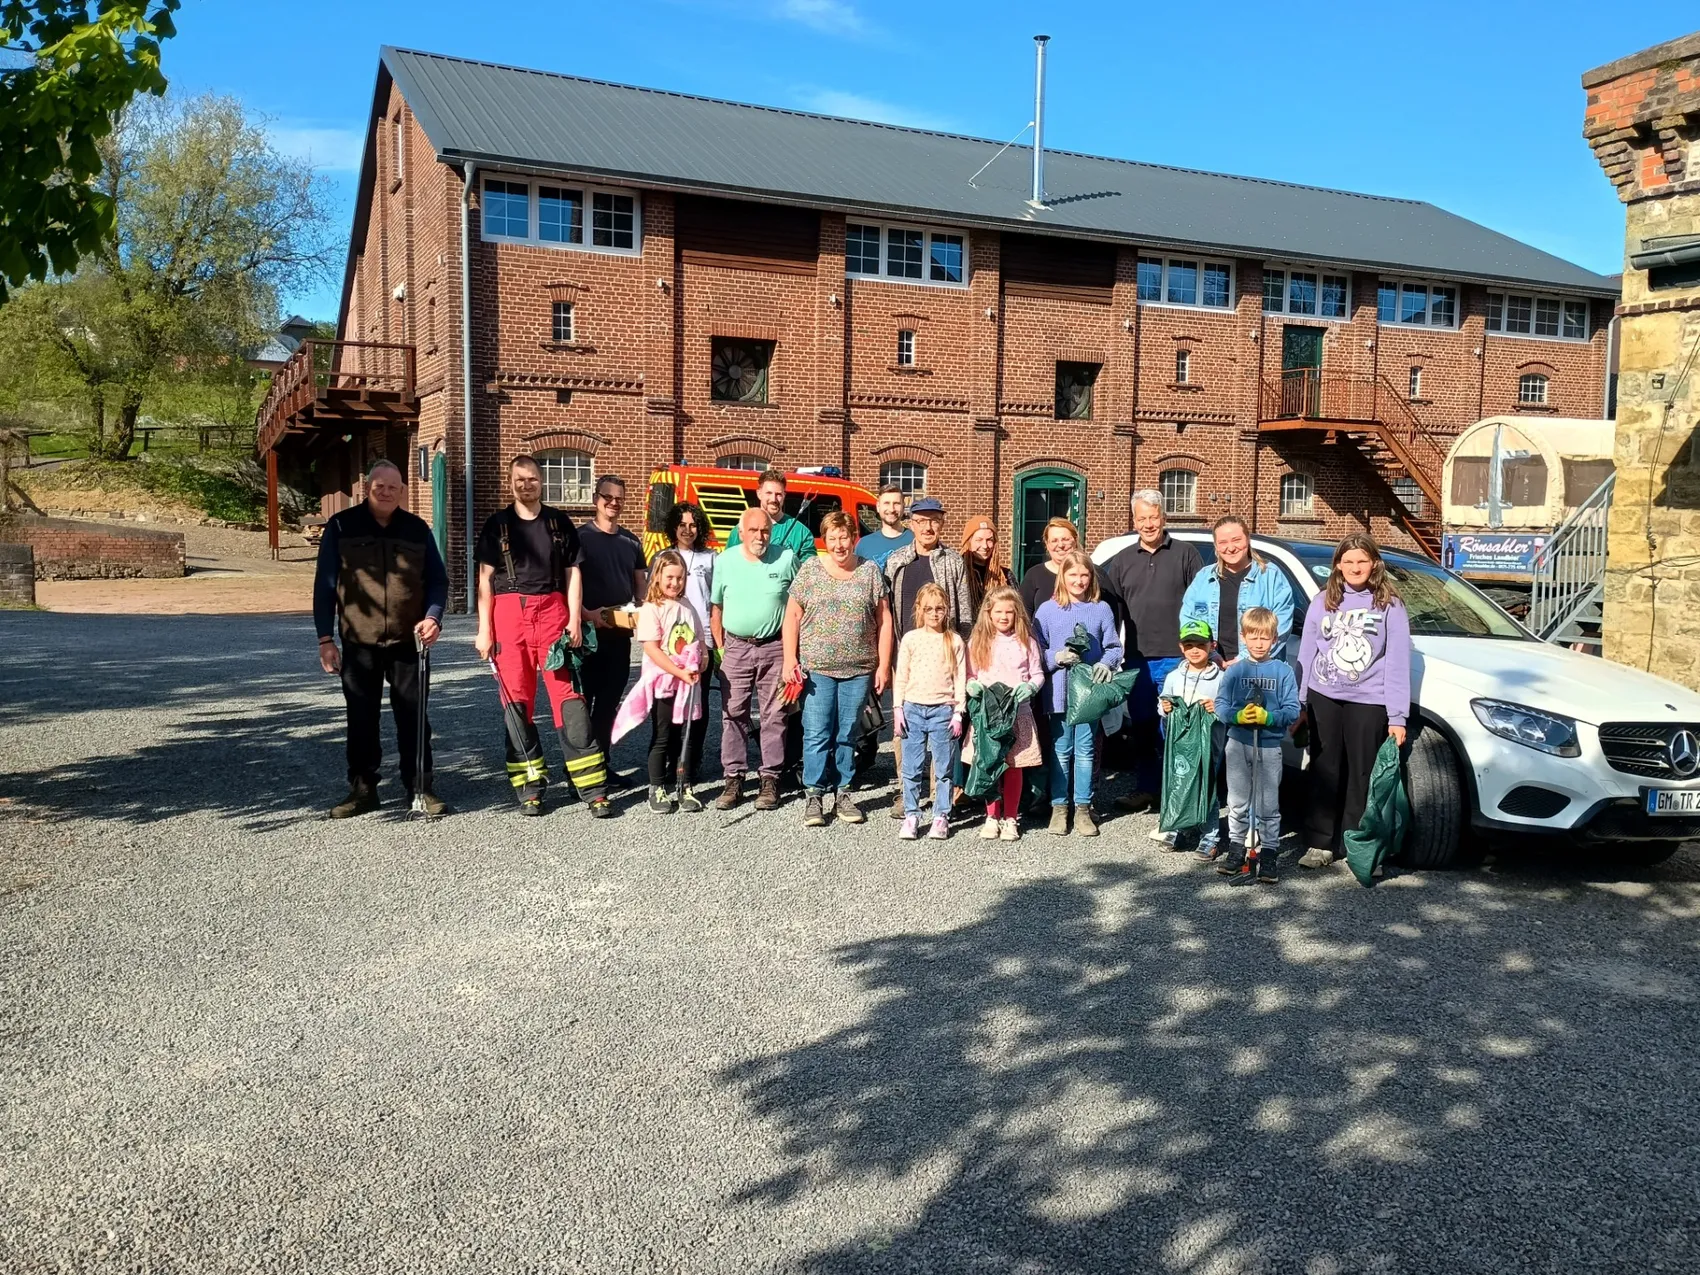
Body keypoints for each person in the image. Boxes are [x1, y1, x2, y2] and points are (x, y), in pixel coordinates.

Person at [474, 454, 610, 818]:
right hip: (508, 616)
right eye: (520, 479)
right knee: (517, 705)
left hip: (552, 615)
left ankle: (593, 789)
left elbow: (574, 574)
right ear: (511, 482)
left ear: (541, 481)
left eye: (532, 478)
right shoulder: (497, 525)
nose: (526, 485)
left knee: (570, 701)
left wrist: (575, 620)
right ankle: (530, 789)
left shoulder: (558, 522)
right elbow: (485, 579)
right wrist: (484, 629)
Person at [313, 458, 448, 818]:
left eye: (393, 487)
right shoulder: (342, 526)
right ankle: (362, 790)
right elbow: (325, 585)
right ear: (367, 489)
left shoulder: (417, 529)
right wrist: (325, 639)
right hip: (359, 642)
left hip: (409, 643)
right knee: (361, 718)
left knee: (414, 717)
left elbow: (437, 581)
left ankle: (420, 788)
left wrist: (433, 617)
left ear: (402, 491)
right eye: (379, 486)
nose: (386, 492)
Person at [1296, 533, 1412, 870]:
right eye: (1348, 561)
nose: (1355, 567)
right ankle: (1320, 843)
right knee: (1323, 768)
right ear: (1338, 565)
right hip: (1324, 697)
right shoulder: (1323, 601)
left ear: (1374, 563)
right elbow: (1307, 652)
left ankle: (1357, 844)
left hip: (1369, 700)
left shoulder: (1390, 604)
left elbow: (1396, 661)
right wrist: (1300, 703)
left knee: (1362, 774)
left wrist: (1397, 716)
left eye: (1362, 561)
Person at [784, 510, 893, 827]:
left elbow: (884, 621)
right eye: (832, 538)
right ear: (825, 540)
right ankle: (815, 794)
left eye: (844, 537)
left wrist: (883, 665)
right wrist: (790, 658)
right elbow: (791, 616)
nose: (839, 544)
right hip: (817, 669)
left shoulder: (870, 571)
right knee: (817, 733)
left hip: (858, 669)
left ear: (853, 538)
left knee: (847, 734)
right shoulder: (810, 570)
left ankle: (843, 791)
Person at [1099, 491, 1204, 811]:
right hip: (1138, 658)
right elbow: (1111, 610)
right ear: (1135, 521)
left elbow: (1201, 605)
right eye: (1142, 518)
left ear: (1164, 518)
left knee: (1176, 727)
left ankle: (1178, 793)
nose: (1148, 524)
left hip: (1179, 658)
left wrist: (1199, 650)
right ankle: (1147, 788)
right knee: (1144, 727)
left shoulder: (1186, 555)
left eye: (1153, 517)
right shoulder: (1122, 561)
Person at [883, 495, 973, 815]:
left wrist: (958, 651)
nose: (928, 527)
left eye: (934, 520)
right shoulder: (897, 562)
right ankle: (906, 789)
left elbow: (964, 612)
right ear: (911, 524)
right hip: (906, 655)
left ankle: (940, 793)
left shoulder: (952, 561)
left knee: (941, 727)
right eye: (921, 521)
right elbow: (887, 613)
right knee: (905, 724)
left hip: (943, 655)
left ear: (942, 523)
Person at [711, 508, 799, 811]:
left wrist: (793, 652)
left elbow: (799, 604)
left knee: (775, 715)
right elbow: (716, 609)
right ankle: (734, 779)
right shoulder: (725, 561)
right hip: (736, 647)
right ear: (741, 531)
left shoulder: (786, 559)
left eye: (764, 531)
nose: (759, 536)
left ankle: (770, 779)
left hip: (775, 647)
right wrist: (722, 648)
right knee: (733, 713)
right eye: (753, 531)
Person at [1034, 551, 1122, 837]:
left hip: (1088, 695)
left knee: (1085, 751)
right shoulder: (1047, 611)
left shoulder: (1100, 610)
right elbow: (1036, 651)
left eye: (1084, 575)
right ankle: (1059, 808)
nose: (1079, 580)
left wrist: (1104, 665)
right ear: (1063, 576)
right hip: (1058, 691)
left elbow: (1114, 647)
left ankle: (1083, 808)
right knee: (1061, 749)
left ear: (1091, 577)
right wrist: (1056, 657)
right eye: (1073, 575)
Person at [1213, 607, 1301, 884]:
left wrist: (1271, 717)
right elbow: (1220, 706)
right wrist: (1236, 716)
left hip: (1269, 746)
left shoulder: (1283, 672)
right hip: (1238, 743)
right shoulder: (1236, 671)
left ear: (1274, 639)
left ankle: (1270, 854)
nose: (1259, 643)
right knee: (1237, 802)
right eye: (1253, 637)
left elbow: (1293, 710)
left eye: (1265, 638)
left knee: (1267, 804)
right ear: (1244, 637)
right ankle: (1237, 850)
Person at [577, 475, 648, 769]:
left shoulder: (631, 542)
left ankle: (602, 767)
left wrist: (642, 616)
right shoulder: (580, 539)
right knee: (581, 707)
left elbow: (641, 590)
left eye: (619, 498)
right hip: (586, 636)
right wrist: (585, 614)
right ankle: (580, 772)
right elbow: (568, 587)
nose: (614, 503)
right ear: (596, 499)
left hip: (619, 638)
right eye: (608, 497)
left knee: (607, 707)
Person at [965, 585, 1045, 841]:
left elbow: (1038, 673)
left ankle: (1011, 818)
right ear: (988, 614)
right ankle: (991, 816)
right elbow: (970, 673)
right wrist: (972, 685)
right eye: (998, 611)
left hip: (1017, 715)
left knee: (1013, 767)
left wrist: (1031, 687)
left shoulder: (1027, 643)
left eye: (1009, 612)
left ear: (1017, 614)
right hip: (988, 717)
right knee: (989, 764)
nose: (1003, 617)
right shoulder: (978, 641)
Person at [635, 549, 711, 814]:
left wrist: (702, 659)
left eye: (679, 578)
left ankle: (685, 784)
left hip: (688, 685)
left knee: (686, 737)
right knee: (663, 735)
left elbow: (699, 639)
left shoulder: (688, 606)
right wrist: (678, 672)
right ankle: (657, 787)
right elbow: (653, 649)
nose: (674, 583)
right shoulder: (651, 608)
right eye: (669, 578)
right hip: (665, 683)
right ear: (657, 577)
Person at [893, 582, 967, 840]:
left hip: (943, 711)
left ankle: (941, 815)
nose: (934, 614)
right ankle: (912, 814)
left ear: (946, 610)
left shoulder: (954, 641)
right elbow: (901, 675)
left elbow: (960, 678)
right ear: (919, 610)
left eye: (939, 608)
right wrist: (898, 708)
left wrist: (959, 711)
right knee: (912, 767)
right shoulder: (911, 639)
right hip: (912, 709)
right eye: (929, 609)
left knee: (944, 767)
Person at [1179, 515, 1296, 662]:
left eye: (1236, 540)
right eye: (1223, 542)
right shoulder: (1203, 578)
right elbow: (1188, 621)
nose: (1231, 548)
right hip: (1211, 668)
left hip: (1257, 670)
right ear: (1216, 546)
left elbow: (1281, 627)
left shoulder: (1271, 576)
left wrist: (1245, 659)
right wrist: (1210, 655)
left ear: (1247, 540)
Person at [1154, 618, 1225, 854]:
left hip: (1209, 744)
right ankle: (1176, 827)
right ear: (1181, 647)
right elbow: (1162, 702)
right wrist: (1164, 708)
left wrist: (1218, 708)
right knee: (1177, 782)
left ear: (1211, 646)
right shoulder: (1174, 676)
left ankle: (1210, 836)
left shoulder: (1220, 679)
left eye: (1200, 645)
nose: (1195, 650)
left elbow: (1228, 709)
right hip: (1179, 744)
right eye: (1189, 645)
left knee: (1207, 786)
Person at [726, 468, 818, 561]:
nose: (774, 499)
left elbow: (809, 571)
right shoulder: (741, 530)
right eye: (769, 493)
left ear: (784, 496)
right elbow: (727, 565)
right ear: (759, 494)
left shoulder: (801, 533)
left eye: (778, 494)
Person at [664, 499, 716, 625]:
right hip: (670, 627)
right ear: (674, 527)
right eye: (682, 525)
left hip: (703, 628)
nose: (687, 530)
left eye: (692, 525)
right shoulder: (662, 557)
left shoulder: (711, 557)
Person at [1019, 517, 1079, 621]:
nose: (1060, 545)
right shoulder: (1034, 575)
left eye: (1065, 539)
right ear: (1047, 544)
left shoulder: (1093, 574)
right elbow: (1022, 616)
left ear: (1075, 540)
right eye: (1054, 541)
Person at [960, 515, 1013, 617]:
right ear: (968, 542)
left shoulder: (1005, 576)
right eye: (979, 540)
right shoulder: (958, 574)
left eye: (989, 540)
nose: (985, 546)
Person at [859, 482, 914, 569]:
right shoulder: (863, 545)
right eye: (886, 503)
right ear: (878, 507)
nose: (891, 509)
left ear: (903, 507)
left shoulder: (915, 541)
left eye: (896, 503)